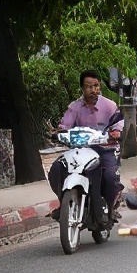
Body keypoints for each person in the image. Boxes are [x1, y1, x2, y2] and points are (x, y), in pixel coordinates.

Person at [48, 70, 124, 221]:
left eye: (96, 86)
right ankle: (64, 202)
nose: (93, 90)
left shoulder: (110, 106)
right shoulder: (74, 107)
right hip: (80, 151)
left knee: (109, 176)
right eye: (89, 86)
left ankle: (110, 208)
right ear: (82, 88)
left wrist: (115, 133)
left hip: (104, 150)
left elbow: (118, 125)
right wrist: (58, 133)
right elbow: (65, 126)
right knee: (57, 169)